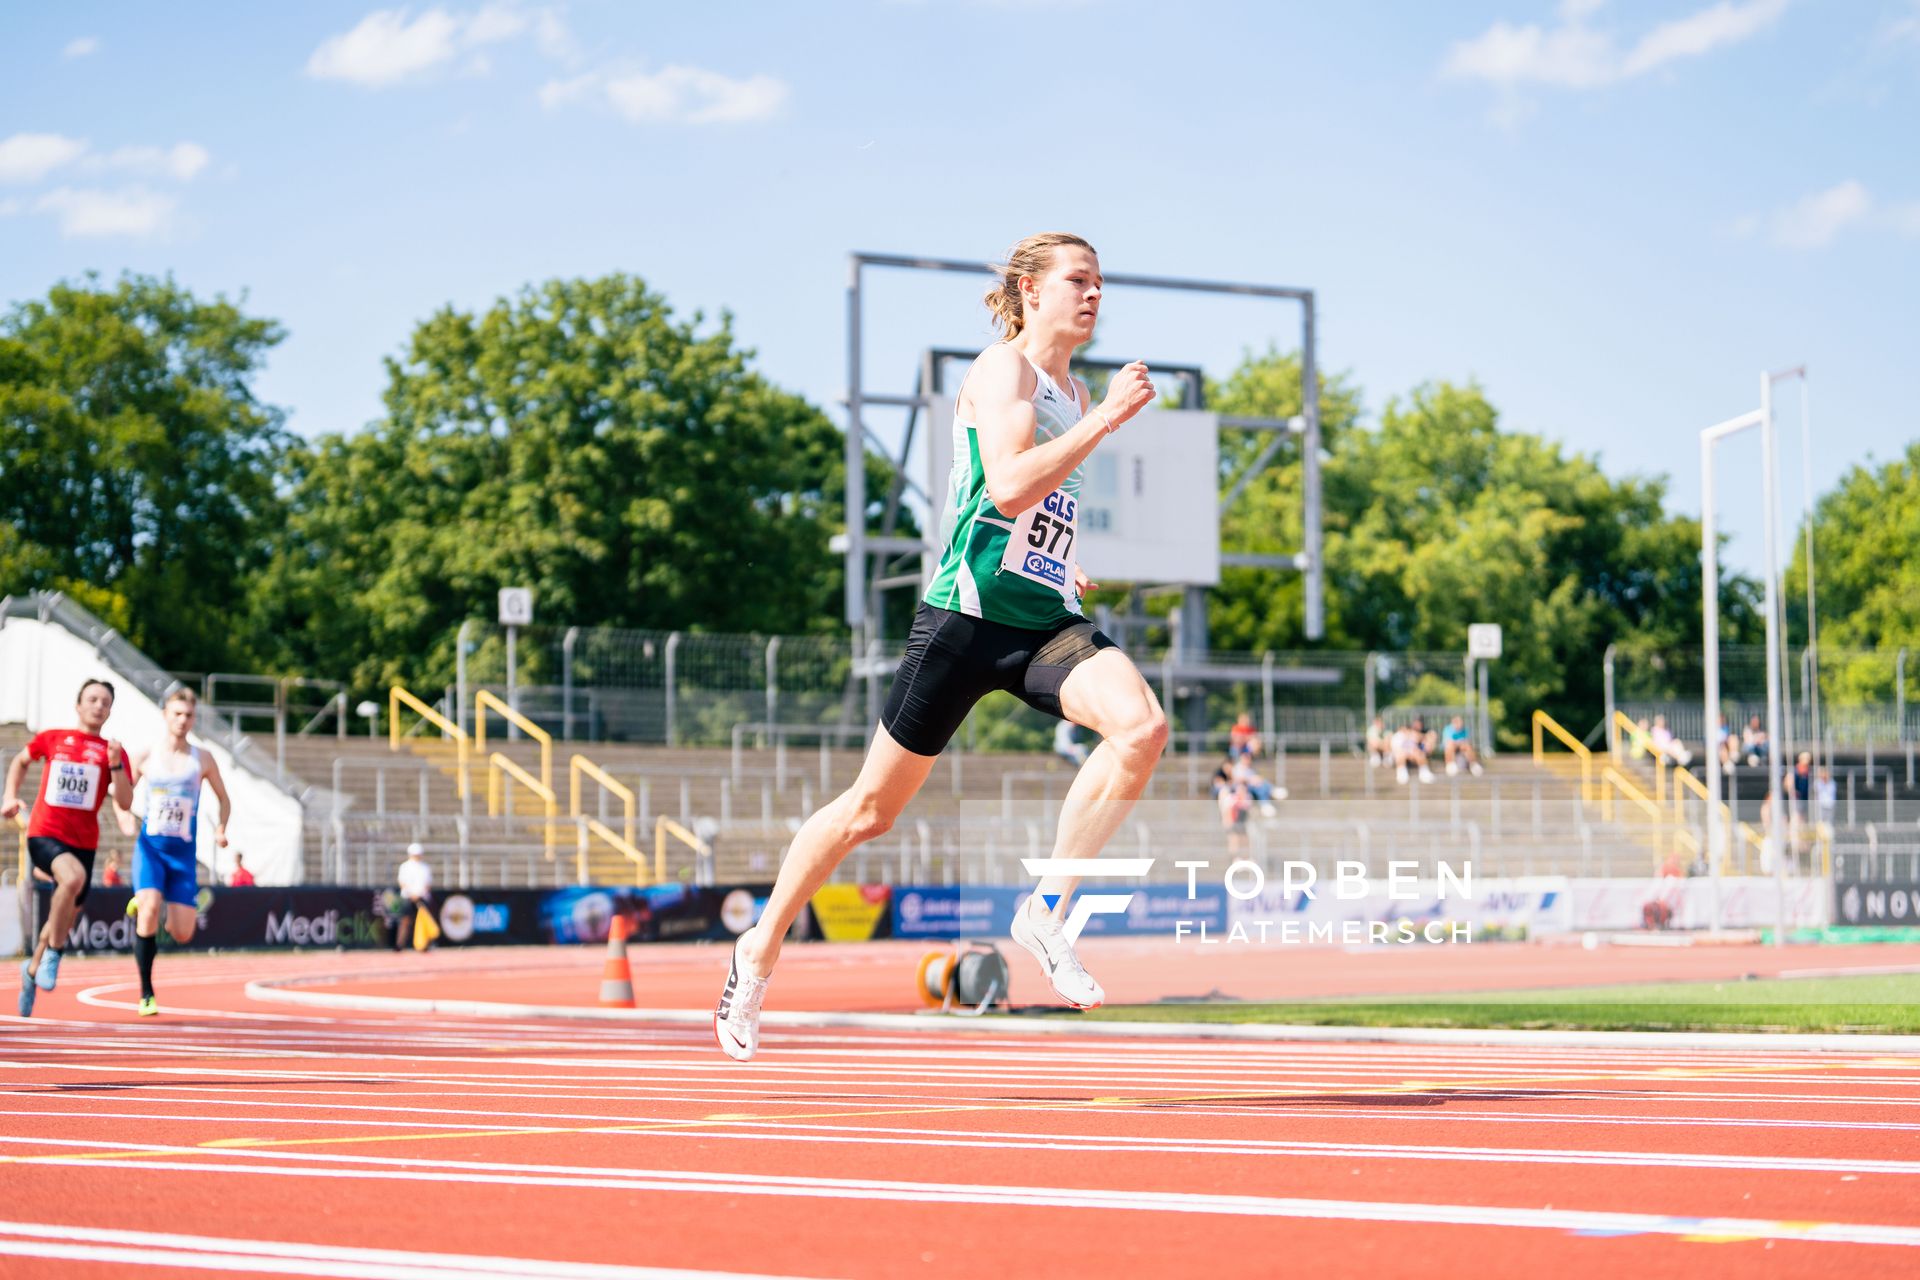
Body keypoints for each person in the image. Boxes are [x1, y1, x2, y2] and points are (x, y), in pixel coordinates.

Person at [713, 232, 1164, 1061]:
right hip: (964, 619)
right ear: (1031, 291)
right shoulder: (1007, 371)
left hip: (1042, 622)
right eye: (1079, 280)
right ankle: (761, 945)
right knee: (870, 813)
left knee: (1141, 727)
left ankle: (1048, 912)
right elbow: (1007, 483)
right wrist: (1104, 420)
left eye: (1102, 283)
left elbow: (1031, 511)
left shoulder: (1073, 383)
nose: (1095, 294)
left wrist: (1064, 560)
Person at [2, 679, 134, 1017]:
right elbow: (20, 761)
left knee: (62, 916)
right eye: (92, 699)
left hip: (83, 842)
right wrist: (10, 796)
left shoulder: (112, 751)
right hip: (44, 833)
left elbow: (124, 799)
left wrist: (116, 764)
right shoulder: (54, 738)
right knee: (71, 879)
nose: (99, 706)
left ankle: (31, 971)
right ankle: (54, 954)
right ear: (78, 705)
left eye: (105, 702)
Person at [111, 687, 232, 1017]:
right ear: (165, 715)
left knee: (182, 932)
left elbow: (224, 799)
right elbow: (120, 794)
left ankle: (148, 899)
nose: (182, 720)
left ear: (194, 719)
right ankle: (146, 993)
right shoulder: (147, 754)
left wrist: (221, 829)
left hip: (182, 857)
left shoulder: (202, 759)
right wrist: (124, 818)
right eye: (176, 714)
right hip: (150, 849)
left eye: (189, 715)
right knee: (149, 910)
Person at [393, 842, 434, 951]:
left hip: (422, 897)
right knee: (405, 921)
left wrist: (419, 895)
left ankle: (424, 944)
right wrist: (412, 894)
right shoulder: (405, 866)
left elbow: (427, 884)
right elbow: (402, 883)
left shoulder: (425, 867)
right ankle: (400, 944)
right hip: (408, 897)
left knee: (423, 920)